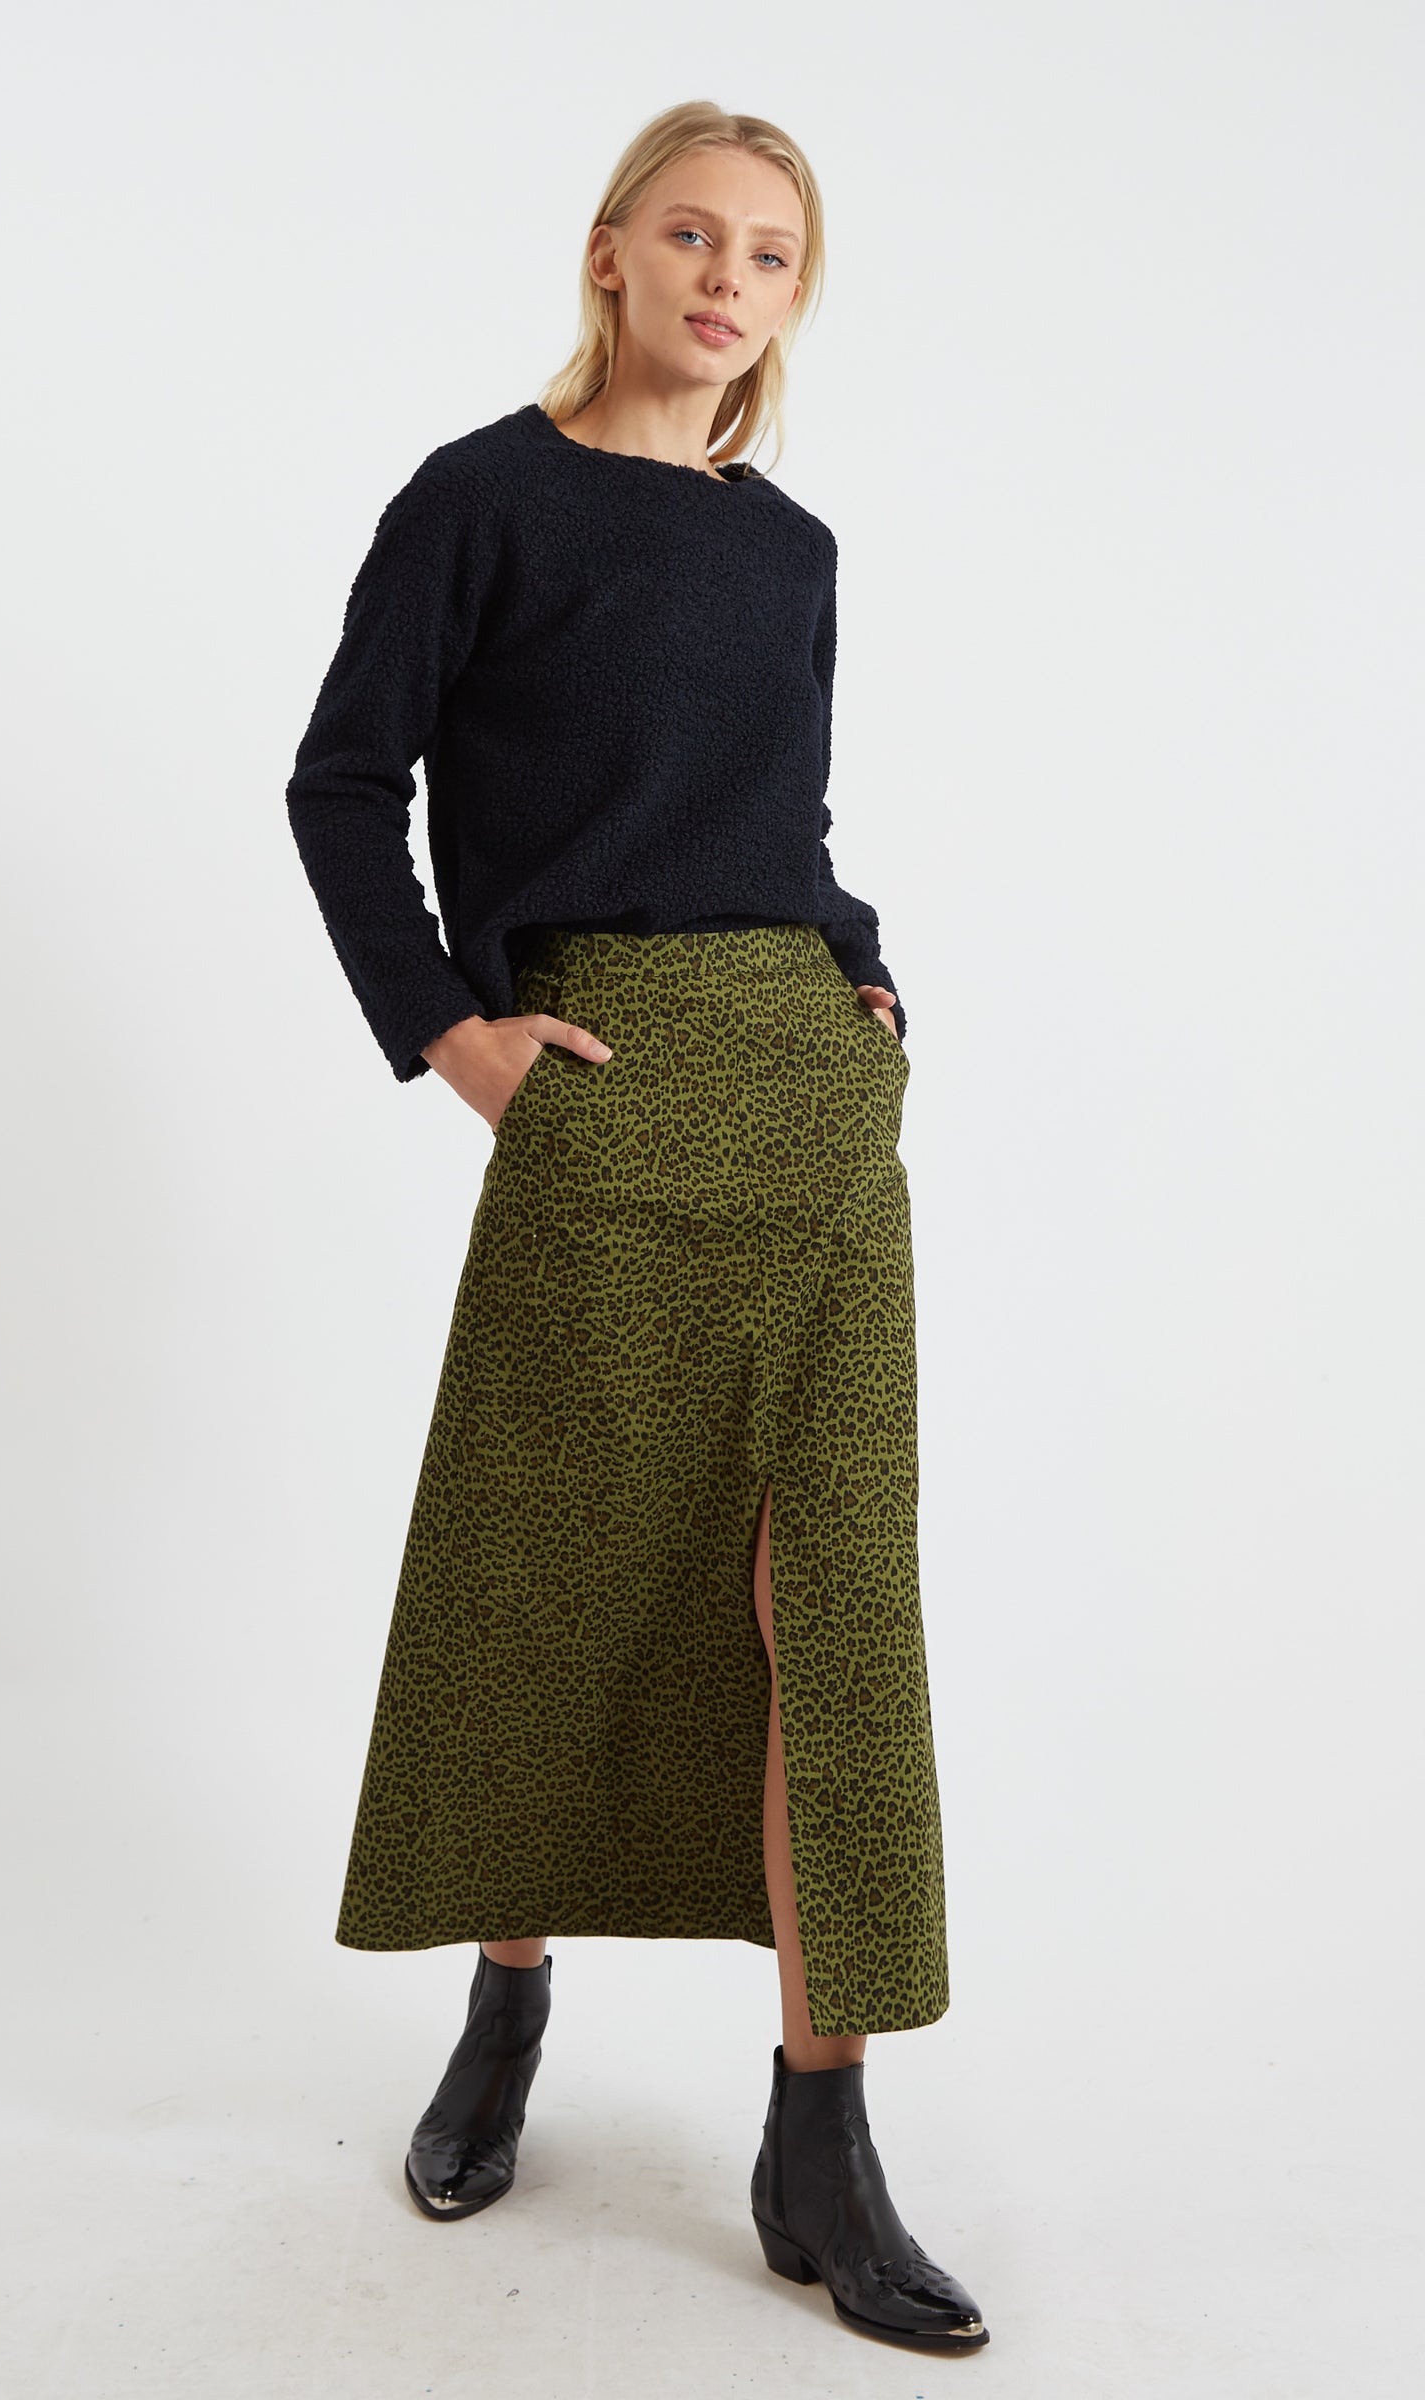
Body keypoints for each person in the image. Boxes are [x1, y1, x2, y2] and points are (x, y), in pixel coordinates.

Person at [283, 98, 989, 2357]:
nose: (725, 281)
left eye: (769, 256)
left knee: (831, 1603)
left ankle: (821, 2132)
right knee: (557, 1557)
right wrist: (449, 1033)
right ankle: (504, 2010)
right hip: (597, 1082)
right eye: (691, 236)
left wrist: (863, 965)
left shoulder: (793, 553)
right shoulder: (479, 499)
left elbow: (774, 813)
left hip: (808, 1096)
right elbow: (340, 782)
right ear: (608, 253)